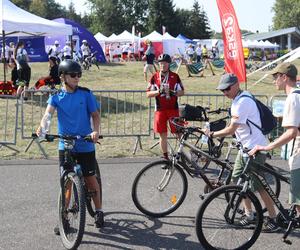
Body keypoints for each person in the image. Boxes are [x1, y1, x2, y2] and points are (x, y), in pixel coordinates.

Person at [205, 73, 278, 232]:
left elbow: (232, 128)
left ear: (236, 85)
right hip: (244, 148)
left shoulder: (242, 102)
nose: (224, 93)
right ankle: (249, 214)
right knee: (237, 181)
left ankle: (273, 218)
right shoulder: (239, 99)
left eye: (227, 89)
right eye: (222, 90)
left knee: (258, 186)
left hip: (255, 149)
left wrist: (212, 134)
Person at [36, 59, 104, 230]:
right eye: (73, 75)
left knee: (90, 178)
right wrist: (42, 128)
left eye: (79, 74)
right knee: (66, 182)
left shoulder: (86, 94)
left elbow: (95, 115)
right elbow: (48, 115)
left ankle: (99, 210)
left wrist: (95, 131)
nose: (77, 78)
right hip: (65, 144)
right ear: (63, 77)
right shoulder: (56, 97)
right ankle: (64, 217)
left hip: (85, 142)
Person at [249, 62, 300, 216]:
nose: (273, 81)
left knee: (298, 202)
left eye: (275, 77)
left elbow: (291, 132)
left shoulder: (293, 98)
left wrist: (266, 147)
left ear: (284, 77)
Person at [146, 54, 184, 160]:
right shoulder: (154, 77)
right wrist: (158, 92)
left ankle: (184, 156)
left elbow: (182, 92)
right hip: (160, 110)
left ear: (169, 64)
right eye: (161, 63)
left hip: (173, 109)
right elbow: (148, 94)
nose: (162, 65)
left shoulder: (175, 76)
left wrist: (174, 92)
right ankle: (165, 157)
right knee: (162, 135)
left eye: (165, 63)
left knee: (179, 133)